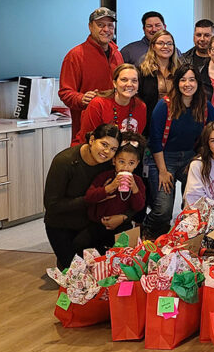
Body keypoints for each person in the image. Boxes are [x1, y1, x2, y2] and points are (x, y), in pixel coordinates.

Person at [143, 63, 214, 237]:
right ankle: (148, 231)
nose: (188, 84)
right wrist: (162, 171)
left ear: (198, 83)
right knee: (163, 210)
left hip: (190, 158)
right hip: (163, 158)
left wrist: (202, 159)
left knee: (194, 206)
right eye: (183, 80)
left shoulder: (205, 106)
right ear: (177, 83)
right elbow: (154, 140)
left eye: (192, 80)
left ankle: (185, 238)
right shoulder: (164, 106)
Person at [43, 123, 120, 269]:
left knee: (103, 269)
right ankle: (66, 258)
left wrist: (122, 217)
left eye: (113, 149)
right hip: (61, 224)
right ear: (91, 140)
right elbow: (52, 205)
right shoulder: (64, 161)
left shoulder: (109, 164)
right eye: (104, 144)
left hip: (91, 222)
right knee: (77, 274)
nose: (107, 151)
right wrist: (90, 199)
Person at [59, 7, 124, 142]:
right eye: (100, 25)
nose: (106, 30)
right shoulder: (75, 55)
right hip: (88, 130)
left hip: (115, 129)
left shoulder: (117, 54)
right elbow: (65, 92)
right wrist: (81, 98)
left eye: (110, 26)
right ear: (90, 27)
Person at [81, 132, 147, 254]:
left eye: (131, 163)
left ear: (137, 164)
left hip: (122, 224)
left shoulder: (137, 182)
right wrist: (110, 187)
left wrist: (134, 189)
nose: (125, 167)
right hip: (98, 223)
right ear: (114, 161)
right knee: (84, 246)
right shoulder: (104, 177)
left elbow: (139, 207)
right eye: (121, 162)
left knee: (123, 251)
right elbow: (89, 197)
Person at [72, 63, 147, 146]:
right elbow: (88, 140)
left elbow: (135, 141)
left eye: (134, 81)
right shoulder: (98, 104)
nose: (129, 84)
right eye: (124, 80)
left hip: (121, 156)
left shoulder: (140, 107)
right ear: (114, 83)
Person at [137, 30, 182, 136]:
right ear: (153, 46)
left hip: (176, 126)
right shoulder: (142, 72)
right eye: (160, 43)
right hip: (149, 127)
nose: (165, 46)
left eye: (169, 43)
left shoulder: (180, 71)